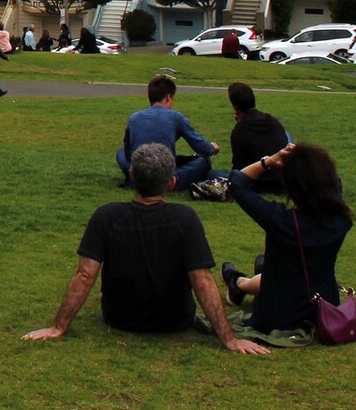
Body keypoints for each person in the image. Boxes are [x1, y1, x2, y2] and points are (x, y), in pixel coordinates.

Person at [22, 143, 270, 355]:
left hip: (121, 318)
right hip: (174, 320)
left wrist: (58, 326)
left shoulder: (107, 215)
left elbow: (85, 274)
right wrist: (229, 338)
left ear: (132, 175)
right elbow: (202, 279)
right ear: (172, 183)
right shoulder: (185, 218)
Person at [221, 143, 353, 334]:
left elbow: (237, 183)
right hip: (324, 309)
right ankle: (245, 279)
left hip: (278, 315)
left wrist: (269, 161)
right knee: (277, 268)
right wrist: (315, 164)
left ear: (292, 186)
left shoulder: (281, 220)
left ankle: (239, 282)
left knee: (275, 272)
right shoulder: (341, 219)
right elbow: (334, 184)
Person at [116, 75, 218, 190]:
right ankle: (174, 180)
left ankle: (135, 178)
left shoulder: (134, 117)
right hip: (164, 175)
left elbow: (128, 152)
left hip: (139, 173)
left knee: (120, 152)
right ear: (168, 97)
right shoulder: (176, 117)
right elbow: (201, 147)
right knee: (203, 162)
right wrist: (212, 148)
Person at [227, 82, 291, 193]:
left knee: (213, 173)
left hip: (259, 182)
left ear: (235, 106)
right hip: (281, 179)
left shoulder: (239, 131)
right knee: (286, 134)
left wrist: (239, 127)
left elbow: (238, 170)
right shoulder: (272, 121)